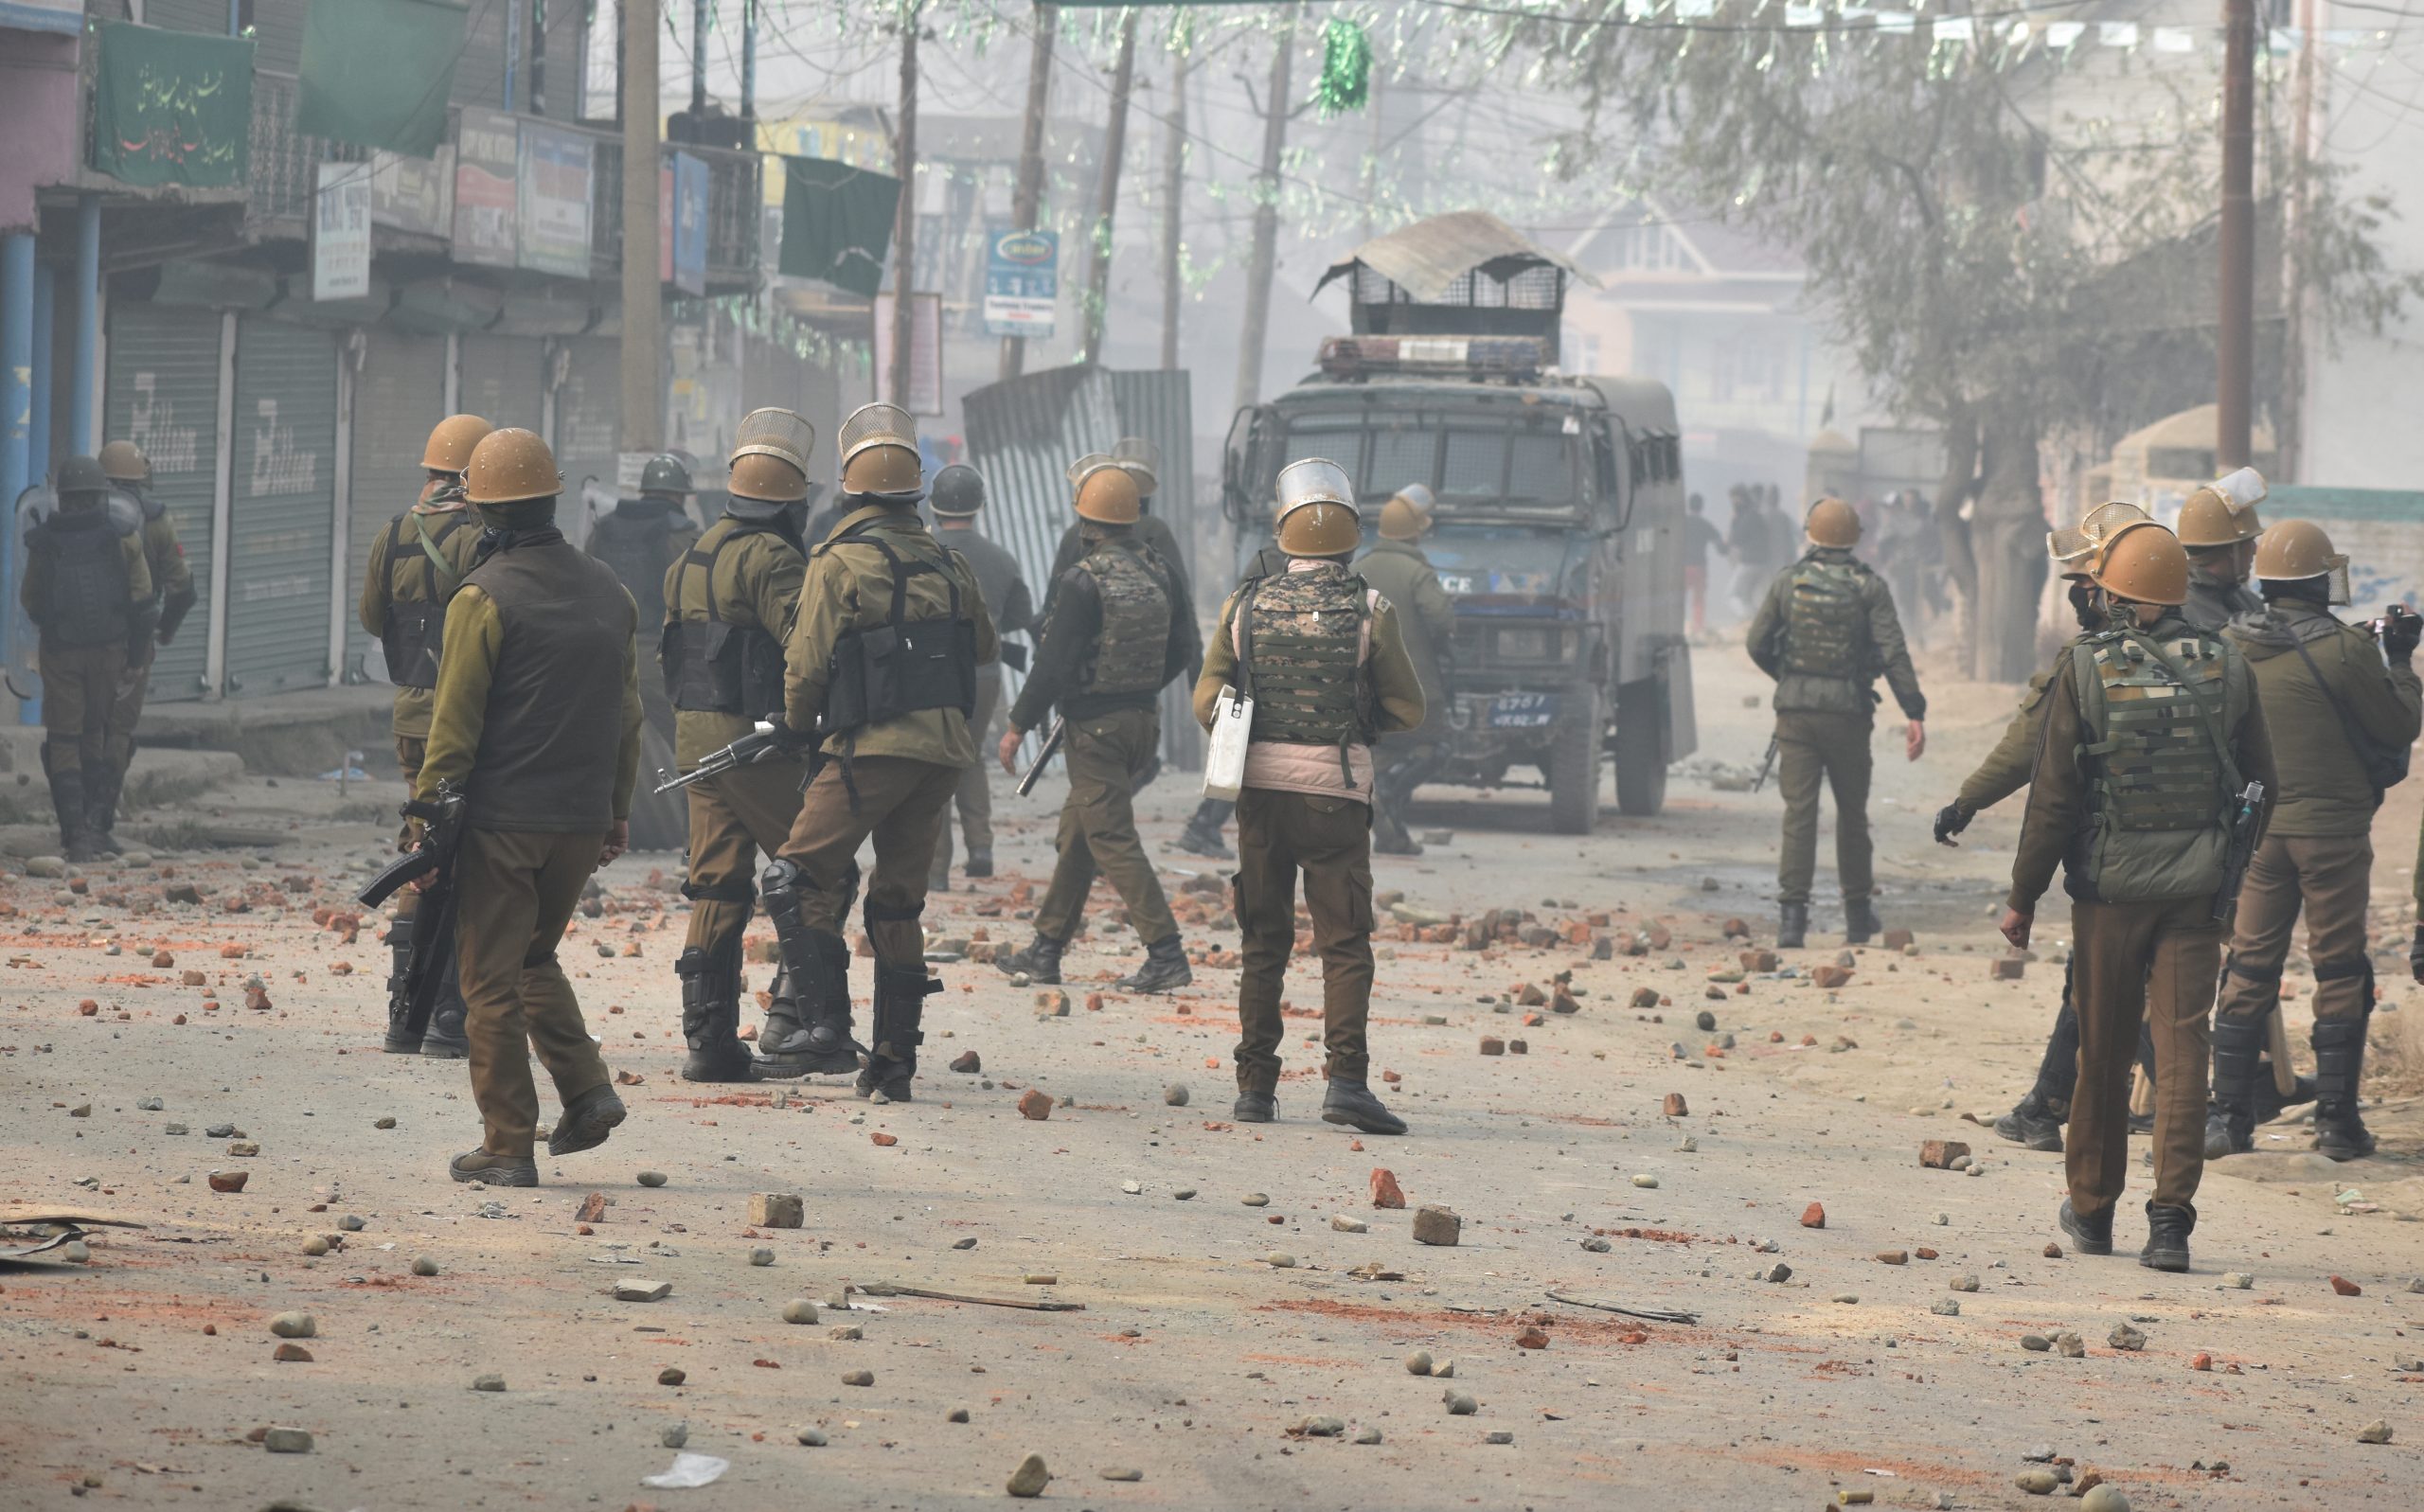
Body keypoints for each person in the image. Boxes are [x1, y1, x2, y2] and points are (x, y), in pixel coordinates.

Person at [2003, 520, 2274, 1272]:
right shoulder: (2229, 664)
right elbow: (2264, 786)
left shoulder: (2086, 669)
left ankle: (2091, 1209)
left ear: (2118, 597)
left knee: (2104, 1050)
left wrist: (2023, 895)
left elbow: (2053, 799)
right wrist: (2230, 869)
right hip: (2196, 895)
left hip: (2110, 895)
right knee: (2184, 1052)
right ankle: (2170, 1221)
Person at [417, 428, 642, 1186]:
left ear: (485, 513)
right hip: (579, 820)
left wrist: (425, 819)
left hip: (503, 824)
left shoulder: (484, 597)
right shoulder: (612, 591)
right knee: (533, 957)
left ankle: (507, 1144)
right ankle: (586, 1089)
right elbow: (629, 714)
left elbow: (454, 725)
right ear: (552, 500)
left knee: (487, 981)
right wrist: (615, 809)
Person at [758, 403, 998, 1105]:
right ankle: (893, 1063)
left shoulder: (838, 562)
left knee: (794, 879)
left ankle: (824, 1029)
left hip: (870, 748)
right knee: (897, 903)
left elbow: (802, 666)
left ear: (850, 491)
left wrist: (801, 727)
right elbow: (981, 647)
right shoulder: (948, 563)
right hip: (944, 752)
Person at [1193, 457, 1425, 1134]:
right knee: (1344, 944)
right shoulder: (1370, 612)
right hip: (1337, 799)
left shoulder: (1244, 605)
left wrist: (1252, 719)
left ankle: (1254, 1089)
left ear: (1283, 534)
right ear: (1349, 538)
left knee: (1263, 941)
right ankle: (1346, 1083)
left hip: (1260, 796)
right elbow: (1407, 708)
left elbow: (1208, 699)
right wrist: (1359, 721)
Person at [1937, 503, 2167, 1151]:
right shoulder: (2207, 648)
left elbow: (2037, 761)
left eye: (2082, 586)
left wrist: (1970, 804)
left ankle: (2192, 1110)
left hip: (2120, 855)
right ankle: (2049, 1101)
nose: (2076, 599)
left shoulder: (2090, 661)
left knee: (2116, 980)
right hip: (2196, 854)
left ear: (2109, 586)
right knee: (2118, 980)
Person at [2212, 521, 2418, 1161]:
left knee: (2248, 965)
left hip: (2261, 833)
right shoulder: (2343, 650)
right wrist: (2401, 659)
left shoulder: (2229, 644)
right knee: (2339, 969)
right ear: (2320, 581)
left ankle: (2227, 1118)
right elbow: (2400, 722)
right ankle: (2336, 1122)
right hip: (2332, 835)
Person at [995, 454, 1199, 993]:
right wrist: (1143, 686)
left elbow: (1053, 664)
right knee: (1079, 834)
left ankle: (1165, 952)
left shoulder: (1082, 581)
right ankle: (1045, 950)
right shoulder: (1162, 571)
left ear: (1085, 522)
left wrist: (1018, 724)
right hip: (1141, 724)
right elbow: (1184, 648)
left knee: (1109, 836)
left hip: (1096, 731)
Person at [661, 411, 817, 1082]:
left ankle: (708, 1044)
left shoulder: (691, 553)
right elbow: (805, 645)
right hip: (757, 740)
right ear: (789, 503)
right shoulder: (774, 558)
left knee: (718, 887)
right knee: (816, 871)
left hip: (695, 737)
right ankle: (793, 1021)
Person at [358, 413, 492, 1057]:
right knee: (467, 858)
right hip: (468, 716)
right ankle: (447, 1014)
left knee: (422, 849)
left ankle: (402, 1012)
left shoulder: (395, 531)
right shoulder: (482, 537)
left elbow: (370, 615)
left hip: (412, 713)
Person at [1747, 497, 1926, 948]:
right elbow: (1893, 652)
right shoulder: (1870, 587)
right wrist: (1914, 710)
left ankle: (1792, 922)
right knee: (1852, 815)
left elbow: (1757, 643)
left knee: (1799, 815)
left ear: (1810, 533)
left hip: (1796, 715)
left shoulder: (1788, 582)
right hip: (1848, 715)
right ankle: (1858, 917)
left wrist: (1791, 680)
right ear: (1854, 539)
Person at [21, 455, 153, 863]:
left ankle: (74, 836)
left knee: (63, 738)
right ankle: (97, 832)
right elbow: (143, 602)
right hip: (110, 649)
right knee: (96, 730)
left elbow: (31, 601)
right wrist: (134, 657)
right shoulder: (124, 535)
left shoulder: (43, 541)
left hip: (61, 651)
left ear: (62, 497)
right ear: (101, 495)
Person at [928, 463, 1034, 890]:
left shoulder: (921, 550)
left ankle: (936, 870)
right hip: (985, 673)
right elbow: (1021, 616)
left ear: (933, 509)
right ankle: (981, 848)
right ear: (980, 507)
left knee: (935, 763)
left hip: (932, 673)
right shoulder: (1001, 558)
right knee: (970, 756)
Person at [1173, 506, 1296, 861]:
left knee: (1243, 758)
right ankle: (1203, 828)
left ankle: (1204, 828)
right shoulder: (1273, 565)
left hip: (1256, 674)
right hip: (1257, 676)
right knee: (1241, 759)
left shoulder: (1271, 561)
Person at [92, 440, 195, 854]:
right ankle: (99, 823)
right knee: (117, 731)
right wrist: (165, 631)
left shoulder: (72, 513)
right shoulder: (154, 520)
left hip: (71, 646)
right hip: (133, 644)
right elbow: (183, 588)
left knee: (75, 729)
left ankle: (74, 827)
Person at [1356, 484, 1455, 854]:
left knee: (1383, 754)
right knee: (1437, 746)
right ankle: (1390, 793)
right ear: (1416, 531)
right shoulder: (1417, 571)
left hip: (1365, 689)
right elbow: (1441, 619)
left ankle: (1392, 836)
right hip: (1415, 687)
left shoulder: (1358, 568)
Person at [2175, 470, 2266, 631]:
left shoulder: (2248, 601)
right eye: (2250, 542)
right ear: (2232, 549)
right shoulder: (2177, 611)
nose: (2255, 550)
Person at [1681, 491, 1727, 635]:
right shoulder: (1705, 524)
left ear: (1688, 506)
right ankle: (1698, 628)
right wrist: (1725, 548)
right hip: (1700, 567)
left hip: (1683, 566)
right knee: (1699, 599)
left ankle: (1679, 626)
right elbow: (1720, 543)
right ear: (1702, 507)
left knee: (1680, 598)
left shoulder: (1682, 522)